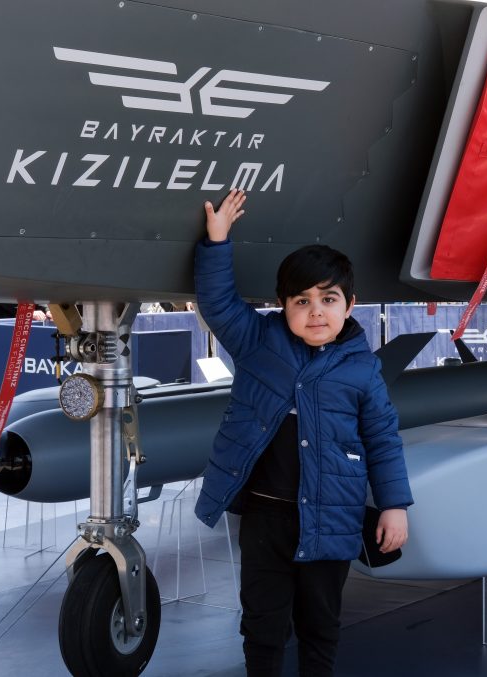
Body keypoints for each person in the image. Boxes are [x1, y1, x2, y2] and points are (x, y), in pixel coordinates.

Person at [193, 189, 412, 677]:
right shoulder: (258, 342)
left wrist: (394, 504)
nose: (316, 311)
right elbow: (219, 303)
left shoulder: (363, 369)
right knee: (262, 622)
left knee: (320, 623)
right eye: (302, 300)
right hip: (264, 519)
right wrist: (217, 241)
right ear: (282, 305)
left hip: (333, 516)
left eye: (328, 299)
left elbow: (383, 440)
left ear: (350, 305)